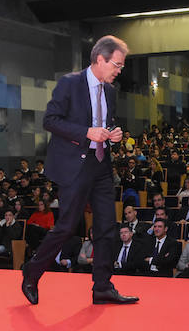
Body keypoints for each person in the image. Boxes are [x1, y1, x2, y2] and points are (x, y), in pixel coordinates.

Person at [22, 36, 138, 305]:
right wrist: (87, 132)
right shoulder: (69, 83)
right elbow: (50, 121)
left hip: (101, 165)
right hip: (74, 165)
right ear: (100, 59)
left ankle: (102, 286)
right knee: (66, 226)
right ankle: (32, 271)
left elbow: (104, 125)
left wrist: (112, 134)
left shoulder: (110, 90)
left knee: (107, 225)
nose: (119, 70)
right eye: (117, 65)